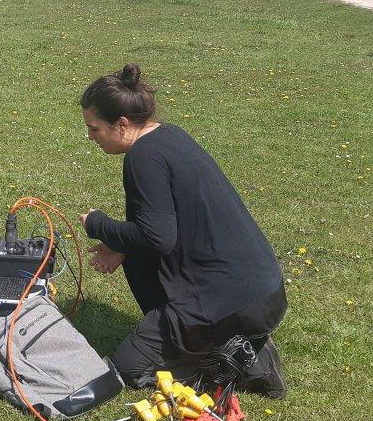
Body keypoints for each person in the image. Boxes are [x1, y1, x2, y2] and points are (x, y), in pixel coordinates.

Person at [78, 64, 287, 398]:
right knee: (136, 255)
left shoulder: (143, 158)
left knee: (130, 366)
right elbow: (160, 230)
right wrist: (120, 245)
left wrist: (97, 224)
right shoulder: (167, 136)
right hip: (263, 291)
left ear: (121, 124)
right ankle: (233, 339)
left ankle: (244, 359)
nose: (90, 136)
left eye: (94, 128)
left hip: (235, 301)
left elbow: (157, 237)